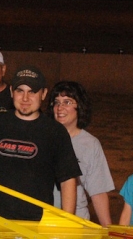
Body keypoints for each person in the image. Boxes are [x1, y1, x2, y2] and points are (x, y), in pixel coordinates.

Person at [0, 66, 82, 221]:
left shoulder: (55, 132)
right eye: (20, 91)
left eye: (32, 91)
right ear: (11, 92)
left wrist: (68, 223)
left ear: (43, 94)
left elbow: (68, 180)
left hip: (35, 225)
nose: (25, 98)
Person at [46, 81, 115, 226]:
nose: (60, 108)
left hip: (76, 223)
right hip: (42, 221)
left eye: (67, 102)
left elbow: (98, 192)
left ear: (79, 107)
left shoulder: (90, 144)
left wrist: (108, 231)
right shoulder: (41, 138)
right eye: (56, 102)